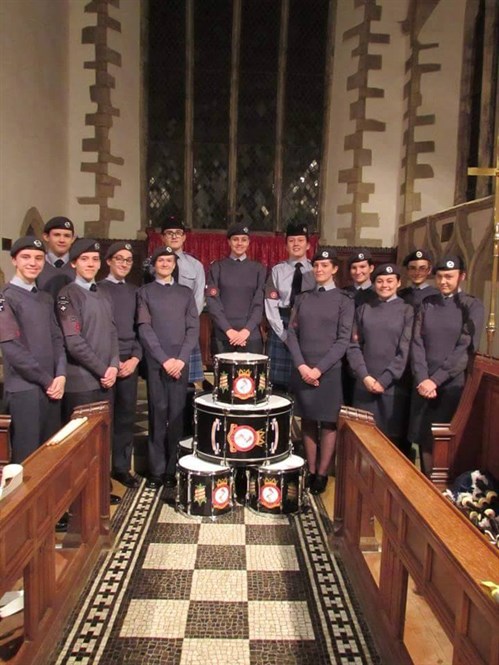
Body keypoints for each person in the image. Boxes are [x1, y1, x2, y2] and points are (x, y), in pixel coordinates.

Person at [286, 247, 355, 495]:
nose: (319, 270)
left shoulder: (344, 301)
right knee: (307, 420)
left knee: (327, 423)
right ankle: (310, 467)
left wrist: (318, 370)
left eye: (325, 266)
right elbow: (291, 333)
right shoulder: (303, 298)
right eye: (316, 266)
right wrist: (302, 365)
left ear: (335, 269)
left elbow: (343, 339)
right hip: (303, 366)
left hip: (328, 370)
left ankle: (322, 473)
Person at [409, 255, 484, 475]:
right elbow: (417, 341)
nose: (443, 281)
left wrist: (435, 380)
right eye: (440, 276)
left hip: (450, 384)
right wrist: (422, 377)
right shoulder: (427, 303)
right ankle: (425, 485)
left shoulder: (472, 306)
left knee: (441, 440)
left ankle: (440, 492)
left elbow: (465, 348)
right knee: (423, 437)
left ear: (462, 276)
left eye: (449, 277)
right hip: (423, 382)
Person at [137, 246, 199, 489]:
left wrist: (181, 359)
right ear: (154, 265)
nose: (165, 263)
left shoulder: (185, 293)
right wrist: (163, 359)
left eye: (169, 260)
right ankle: (156, 470)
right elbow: (144, 328)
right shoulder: (145, 292)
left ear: (175, 264)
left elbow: (193, 328)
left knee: (176, 417)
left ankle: (173, 468)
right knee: (157, 413)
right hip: (156, 362)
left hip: (180, 363)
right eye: (160, 260)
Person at [0, 236, 66, 463]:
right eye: (26, 257)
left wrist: (61, 374)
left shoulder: (46, 298)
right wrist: (47, 380)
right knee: (27, 460)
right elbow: (11, 347)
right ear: (14, 261)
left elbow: (57, 338)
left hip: (52, 388)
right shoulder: (5, 296)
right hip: (25, 389)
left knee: (50, 455)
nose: (33, 262)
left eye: (38, 258)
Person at [347, 263, 414, 455]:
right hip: (364, 385)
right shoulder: (364, 309)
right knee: (362, 442)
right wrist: (365, 377)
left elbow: (405, 350)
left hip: (392, 387)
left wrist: (384, 380)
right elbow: (353, 346)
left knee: (389, 445)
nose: (385, 285)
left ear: (399, 283)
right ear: (374, 283)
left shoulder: (407, 311)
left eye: (390, 281)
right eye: (380, 281)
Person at [56, 239, 120, 422]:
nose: (91, 264)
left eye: (95, 259)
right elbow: (74, 342)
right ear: (74, 263)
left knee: (103, 441)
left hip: (106, 382)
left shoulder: (104, 293)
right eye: (84, 259)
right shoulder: (67, 295)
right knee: (81, 445)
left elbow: (112, 332)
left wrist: (114, 366)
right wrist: (103, 370)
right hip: (81, 384)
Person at [98, 242, 142, 489]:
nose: (124, 263)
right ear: (108, 261)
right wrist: (112, 363)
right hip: (104, 365)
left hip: (129, 363)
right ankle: (100, 472)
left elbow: (141, 329)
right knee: (105, 420)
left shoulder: (136, 292)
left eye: (128, 260)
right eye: (119, 259)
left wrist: (135, 359)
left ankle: (121, 468)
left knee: (126, 418)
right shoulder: (97, 290)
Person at [264, 222, 315, 392]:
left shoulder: (317, 271)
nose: (296, 244)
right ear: (286, 245)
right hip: (282, 323)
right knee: (278, 383)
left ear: (308, 245)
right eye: (291, 241)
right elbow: (271, 307)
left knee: (303, 378)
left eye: (300, 240)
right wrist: (283, 335)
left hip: (308, 327)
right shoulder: (277, 271)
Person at [205, 222, 266, 355]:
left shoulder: (258, 269)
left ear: (249, 242)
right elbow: (213, 302)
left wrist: (246, 331)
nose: (239, 243)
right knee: (223, 376)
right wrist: (229, 331)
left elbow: (259, 303)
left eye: (244, 240)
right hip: (223, 335)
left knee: (248, 377)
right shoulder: (217, 267)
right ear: (228, 242)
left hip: (250, 336)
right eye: (235, 239)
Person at [37, 216, 76, 298]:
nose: (62, 240)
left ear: (73, 239)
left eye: (67, 236)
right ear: (46, 237)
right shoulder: (35, 265)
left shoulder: (79, 266)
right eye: (57, 235)